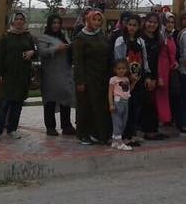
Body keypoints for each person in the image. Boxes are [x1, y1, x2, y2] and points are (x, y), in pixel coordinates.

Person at [0, 12, 36, 140]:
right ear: (12, 21)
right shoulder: (5, 37)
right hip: (8, 75)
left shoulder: (28, 37)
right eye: (17, 19)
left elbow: (35, 53)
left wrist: (32, 52)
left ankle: (12, 129)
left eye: (22, 19)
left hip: (22, 75)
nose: (19, 21)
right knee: (4, 103)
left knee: (17, 104)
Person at [113, 15, 156, 146]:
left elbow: (144, 59)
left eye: (135, 25)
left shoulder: (140, 41)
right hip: (124, 80)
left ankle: (131, 133)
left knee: (135, 107)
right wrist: (126, 75)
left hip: (138, 79)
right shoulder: (120, 40)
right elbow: (118, 60)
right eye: (130, 24)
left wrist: (147, 75)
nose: (132, 27)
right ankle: (123, 136)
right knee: (124, 108)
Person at [73, 9, 111, 145]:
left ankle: (98, 133)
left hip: (101, 76)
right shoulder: (80, 37)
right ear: (88, 20)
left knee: (100, 106)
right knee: (86, 106)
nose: (96, 22)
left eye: (99, 20)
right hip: (87, 77)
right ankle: (83, 134)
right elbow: (77, 61)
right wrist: (80, 81)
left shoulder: (101, 34)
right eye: (94, 19)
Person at [36, 14, 75, 137]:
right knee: (50, 100)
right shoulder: (43, 38)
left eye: (58, 23)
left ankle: (66, 125)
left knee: (65, 98)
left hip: (64, 72)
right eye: (54, 23)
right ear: (49, 24)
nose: (56, 25)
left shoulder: (64, 37)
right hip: (50, 74)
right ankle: (50, 127)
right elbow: (41, 52)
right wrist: (56, 48)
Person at [146, 13, 176, 138]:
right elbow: (157, 57)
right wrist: (159, 76)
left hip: (168, 69)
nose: (170, 24)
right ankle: (155, 126)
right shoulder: (160, 37)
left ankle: (161, 124)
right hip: (159, 69)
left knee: (163, 96)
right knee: (158, 97)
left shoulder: (169, 36)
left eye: (172, 22)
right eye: (167, 22)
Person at [108, 59, 134, 151]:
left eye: (123, 68)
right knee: (117, 122)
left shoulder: (126, 79)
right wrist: (111, 104)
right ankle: (119, 142)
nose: (121, 70)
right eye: (119, 68)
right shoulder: (113, 80)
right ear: (115, 69)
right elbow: (110, 93)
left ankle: (115, 141)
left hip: (125, 102)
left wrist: (133, 82)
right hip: (117, 102)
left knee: (123, 122)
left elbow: (128, 90)